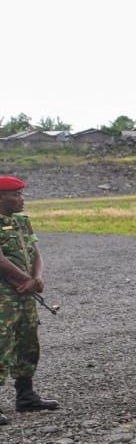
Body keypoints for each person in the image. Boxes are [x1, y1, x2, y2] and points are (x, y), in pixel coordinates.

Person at [0, 175, 59, 425]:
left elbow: (37, 253)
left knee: (28, 343)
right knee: (2, 346)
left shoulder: (23, 222)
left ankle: (26, 395)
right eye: (16, 195)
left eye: (22, 194)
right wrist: (27, 279)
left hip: (25, 293)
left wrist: (36, 277)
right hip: (4, 294)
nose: (21, 199)